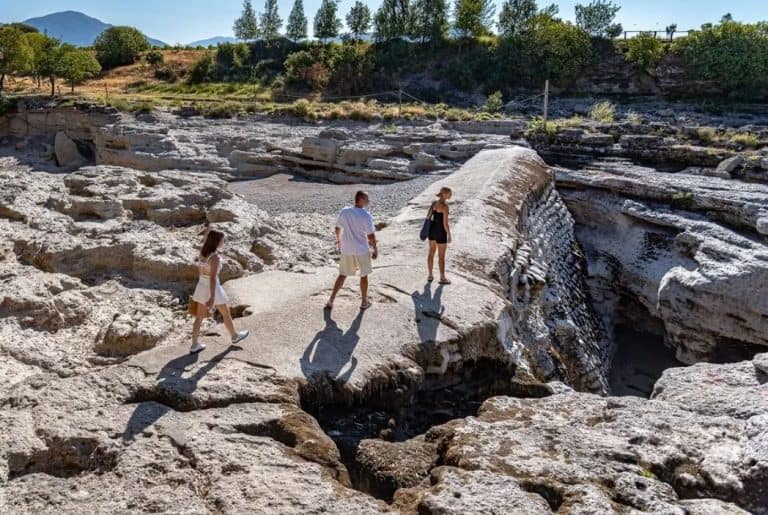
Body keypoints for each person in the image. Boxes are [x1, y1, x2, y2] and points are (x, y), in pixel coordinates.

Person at [190, 230, 249, 354]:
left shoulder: (202, 253)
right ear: (217, 241)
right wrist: (212, 298)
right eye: (222, 240)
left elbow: (201, 271)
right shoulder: (215, 257)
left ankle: (194, 345)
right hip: (212, 288)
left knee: (199, 317)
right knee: (225, 313)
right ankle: (234, 336)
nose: (224, 242)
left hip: (201, 285)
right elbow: (212, 278)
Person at [326, 191, 379, 311]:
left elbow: (337, 228)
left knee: (342, 274)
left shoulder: (345, 211)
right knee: (364, 275)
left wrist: (339, 241)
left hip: (347, 248)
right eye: (366, 199)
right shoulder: (366, 215)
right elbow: (370, 235)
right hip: (361, 249)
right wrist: (375, 249)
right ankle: (364, 302)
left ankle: (331, 300)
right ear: (361, 200)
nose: (368, 201)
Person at [427, 187, 453, 285]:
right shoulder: (445, 206)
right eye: (450, 194)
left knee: (431, 253)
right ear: (445, 194)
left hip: (432, 231)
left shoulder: (433, 203)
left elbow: (428, 217)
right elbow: (445, 223)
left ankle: (430, 275)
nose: (451, 195)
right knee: (441, 257)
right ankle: (442, 278)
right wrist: (449, 235)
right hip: (441, 232)